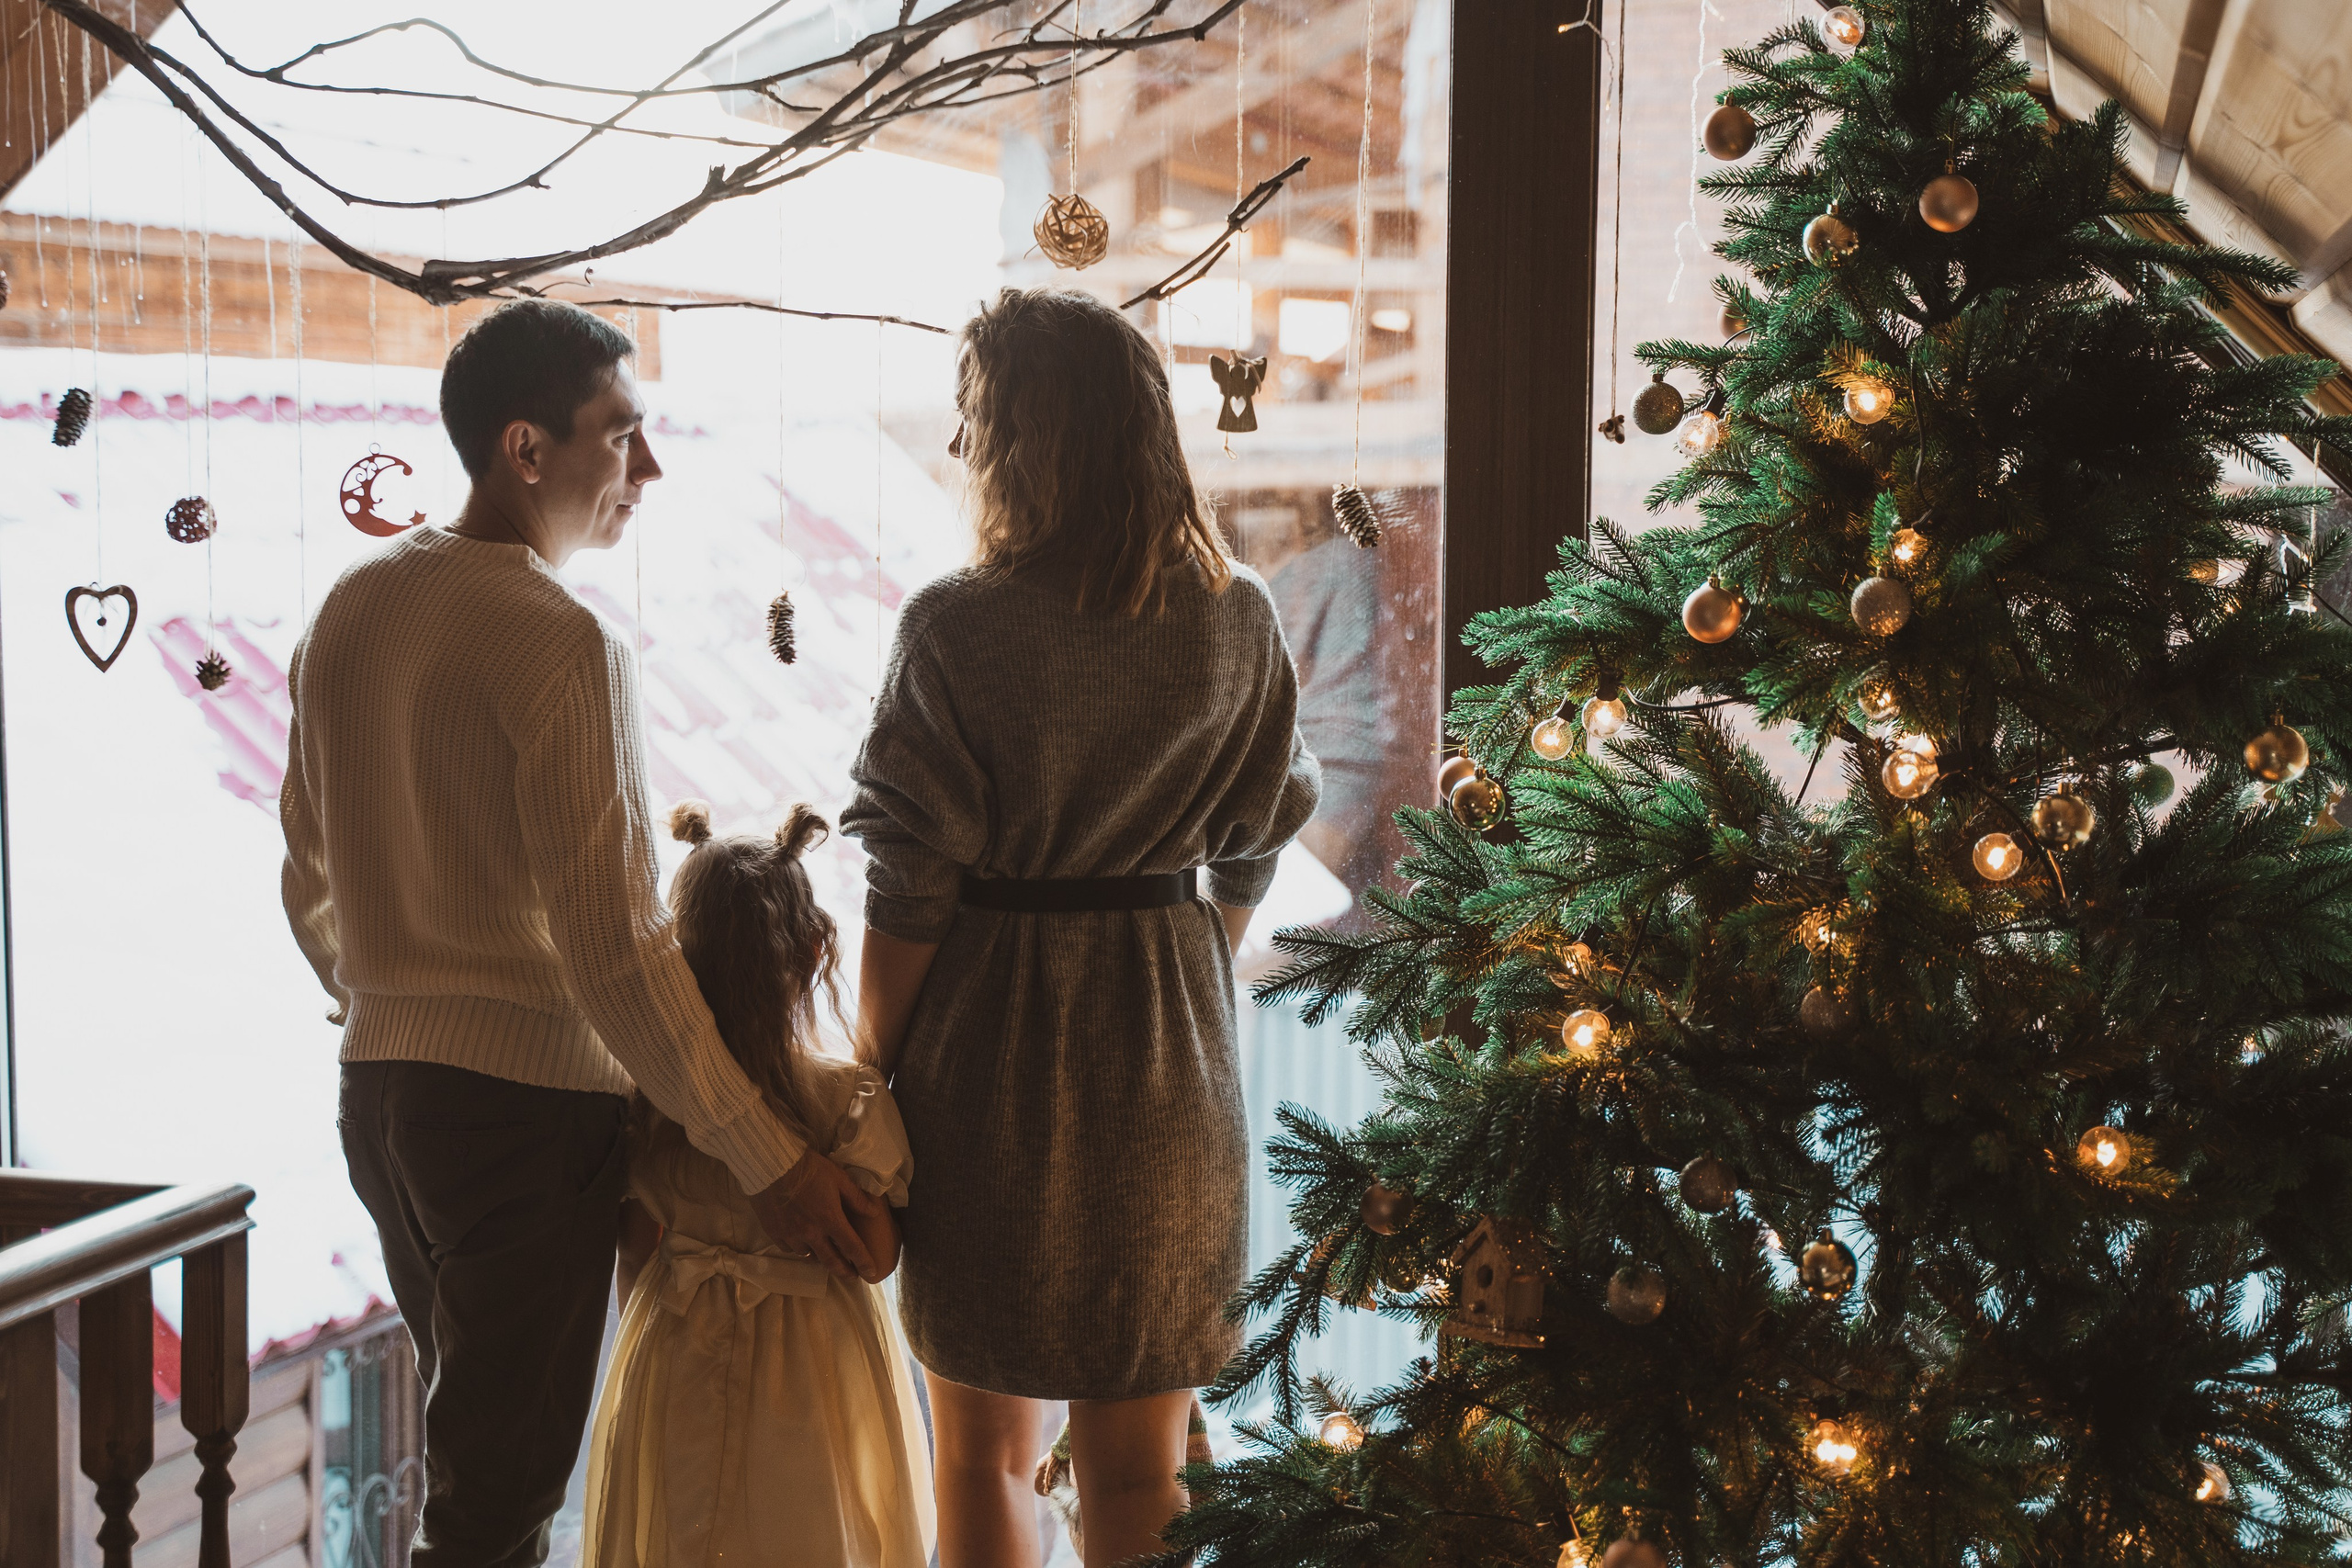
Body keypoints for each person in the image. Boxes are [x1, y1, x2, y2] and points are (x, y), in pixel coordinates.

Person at [280, 299, 888, 1566]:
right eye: (621, 432)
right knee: (494, 1512)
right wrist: (772, 1160)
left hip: (380, 1101)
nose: (646, 466)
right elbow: (616, 949)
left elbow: (309, 876)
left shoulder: (349, 608)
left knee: (472, 1475)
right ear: (526, 448)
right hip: (515, 1120)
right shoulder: (563, 642)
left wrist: (391, 1003)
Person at [842, 286, 1321, 1567]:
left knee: (981, 1454)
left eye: (974, 416)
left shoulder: (957, 622)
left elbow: (909, 883)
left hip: (986, 1061)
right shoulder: (1236, 611)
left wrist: (870, 1063)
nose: (959, 445)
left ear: (1022, 436)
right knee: (1142, 1467)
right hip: (1171, 1057)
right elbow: (1262, 831)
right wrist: (1186, 955)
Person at [582, 802, 933, 1568]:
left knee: (682, 1534)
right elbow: (876, 1257)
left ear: (679, 966)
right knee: (802, 1530)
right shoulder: (845, 1101)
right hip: (810, 1374)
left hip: (678, 1350)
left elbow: (634, 1253)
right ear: (815, 952)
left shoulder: (659, 1108)